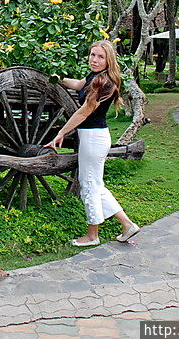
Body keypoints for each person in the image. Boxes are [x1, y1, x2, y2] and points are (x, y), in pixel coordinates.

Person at [44, 40, 141, 247]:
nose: (95, 60)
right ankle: (127, 224)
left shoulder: (104, 83)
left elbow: (84, 112)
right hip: (93, 136)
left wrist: (61, 132)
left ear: (108, 60)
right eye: (92, 55)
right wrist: (60, 79)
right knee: (97, 185)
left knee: (88, 185)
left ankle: (92, 235)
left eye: (100, 57)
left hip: (93, 138)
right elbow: (79, 85)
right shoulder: (94, 77)